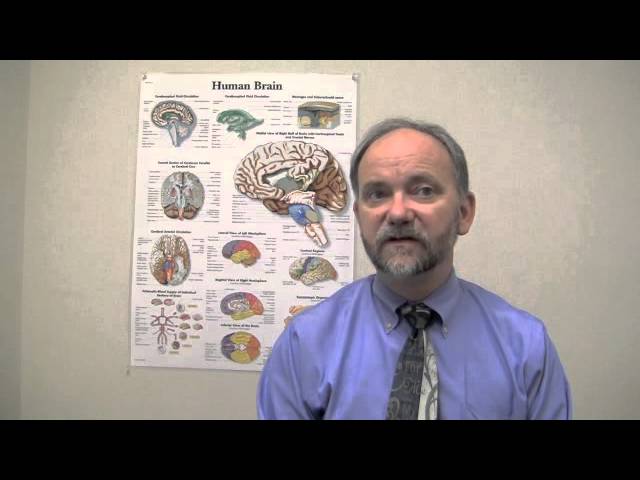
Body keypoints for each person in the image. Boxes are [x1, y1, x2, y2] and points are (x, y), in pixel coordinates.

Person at [257, 118, 572, 420]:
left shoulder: (526, 347)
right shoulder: (304, 344)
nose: (397, 213)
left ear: (464, 213)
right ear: (359, 216)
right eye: (377, 194)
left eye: (423, 190)